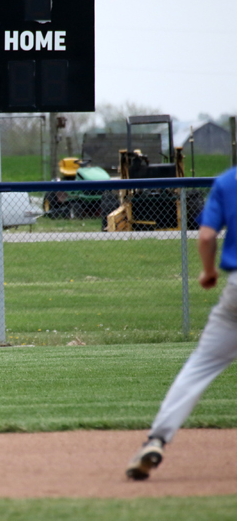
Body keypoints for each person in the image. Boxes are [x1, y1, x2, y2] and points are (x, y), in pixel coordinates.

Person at [126, 166, 237, 480]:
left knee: (201, 365)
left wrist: (208, 272)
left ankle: (157, 439)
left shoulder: (228, 182)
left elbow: (205, 235)